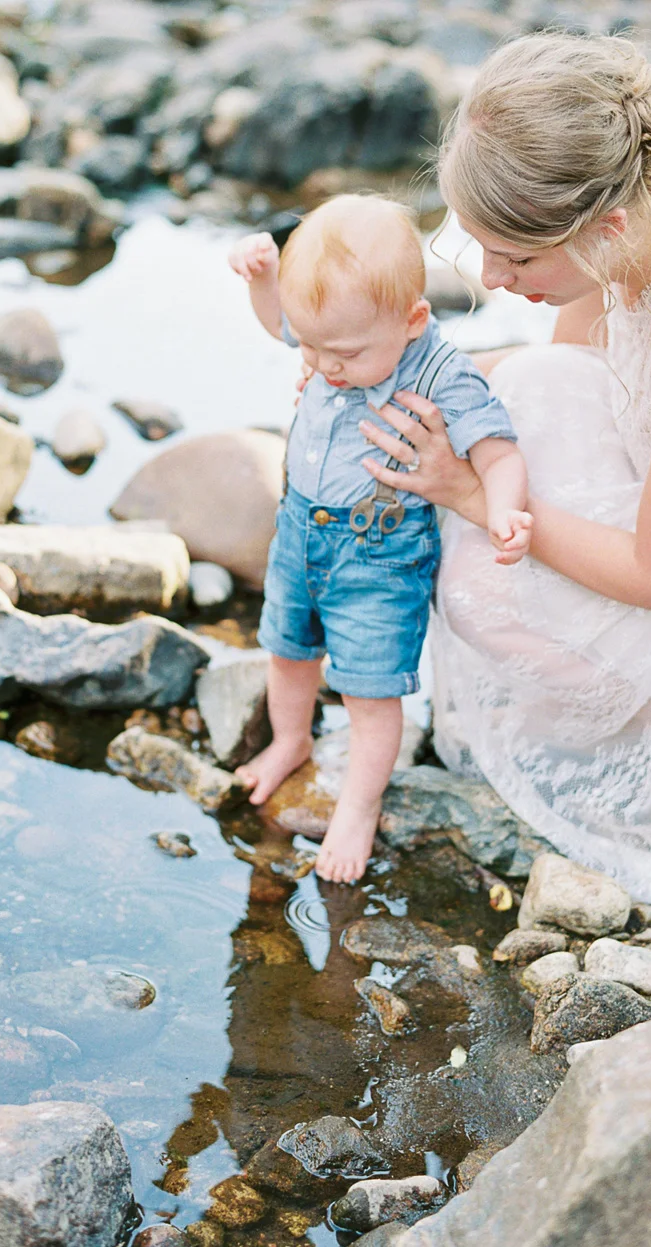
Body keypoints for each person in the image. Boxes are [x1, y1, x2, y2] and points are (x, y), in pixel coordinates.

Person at [358, 32, 651, 906]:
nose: (494, 279)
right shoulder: (638, 194)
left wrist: (470, 493)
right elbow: (577, 363)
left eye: (516, 257)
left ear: (604, 228)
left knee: (477, 584)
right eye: (479, 248)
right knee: (494, 388)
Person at [227, 195, 531, 883]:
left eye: (346, 353)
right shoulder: (331, 334)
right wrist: (261, 282)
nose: (324, 365)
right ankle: (290, 739)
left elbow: (497, 447)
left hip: (379, 552)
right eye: (311, 348)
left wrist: (505, 509)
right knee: (286, 650)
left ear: (413, 319)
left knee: (370, 694)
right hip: (299, 530)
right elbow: (280, 319)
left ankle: (358, 805)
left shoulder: (438, 370)